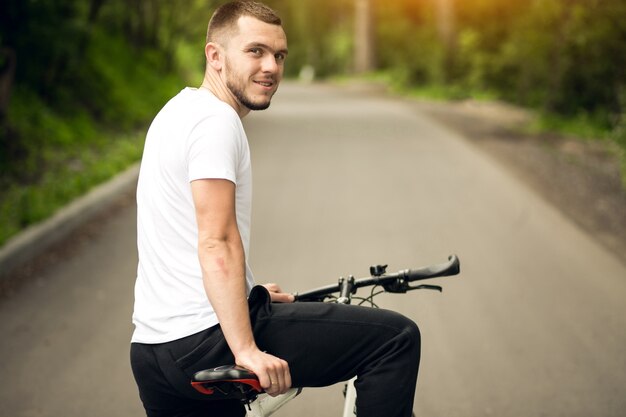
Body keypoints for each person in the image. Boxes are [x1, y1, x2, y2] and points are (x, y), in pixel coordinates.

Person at [130, 2, 421, 417]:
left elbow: (180, 235)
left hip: (152, 350)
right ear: (215, 56)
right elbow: (216, 241)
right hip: (205, 339)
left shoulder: (176, 112)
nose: (271, 67)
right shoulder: (217, 122)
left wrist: (249, 292)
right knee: (396, 340)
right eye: (255, 51)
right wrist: (245, 348)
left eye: (279, 55)